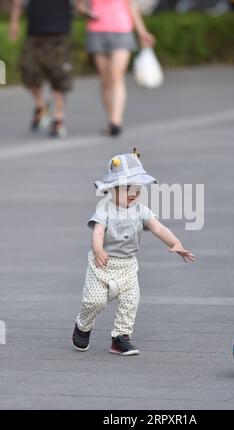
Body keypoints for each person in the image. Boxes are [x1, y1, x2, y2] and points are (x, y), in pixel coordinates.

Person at [72, 150, 195, 355]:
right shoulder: (104, 209)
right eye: (128, 188)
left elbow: (158, 228)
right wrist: (98, 249)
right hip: (102, 263)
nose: (134, 194)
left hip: (128, 265)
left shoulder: (141, 210)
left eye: (137, 190)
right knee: (94, 301)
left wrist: (176, 243)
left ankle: (120, 337)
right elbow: (98, 231)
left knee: (130, 301)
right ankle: (83, 325)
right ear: (112, 189)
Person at [75, 0, 156, 137]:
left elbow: (132, 7)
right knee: (106, 79)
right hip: (97, 31)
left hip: (122, 31)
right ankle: (110, 118)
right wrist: (87, 12)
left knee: (116, 76)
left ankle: (116, 121)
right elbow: (80, 6)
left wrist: (142, 32)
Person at [9, 0, 78, 138]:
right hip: (34, 33)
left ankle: (58, 119)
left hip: (60, 32)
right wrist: (14, 22)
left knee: (59, 77)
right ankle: (41, 106)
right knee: (28, 72)